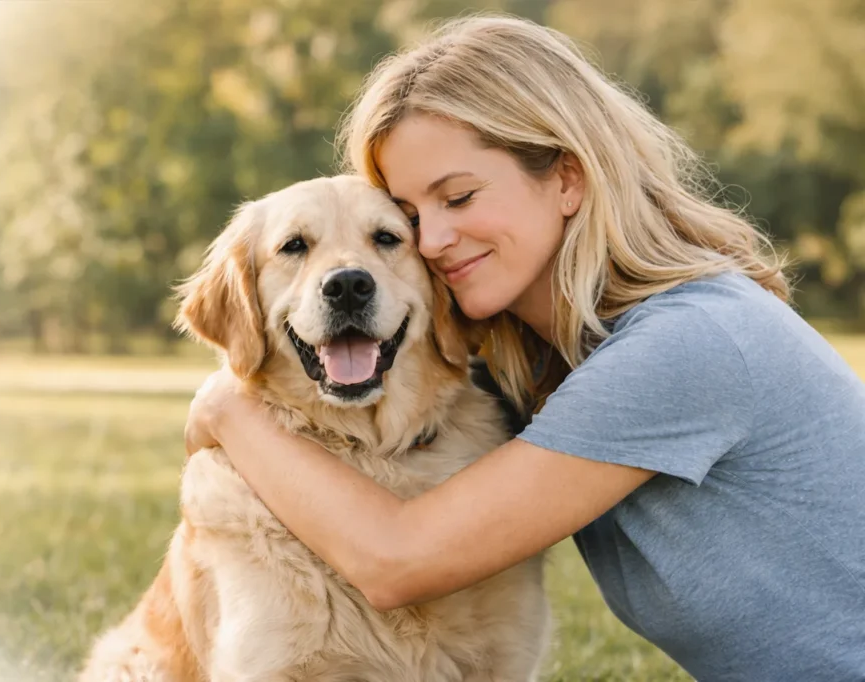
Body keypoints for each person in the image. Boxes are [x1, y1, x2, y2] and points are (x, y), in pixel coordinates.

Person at [183, 15, 865, 681]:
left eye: (460, 197)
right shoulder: (548, 361)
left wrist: (227, 412)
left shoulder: (686, 344)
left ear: (567, 178)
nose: (433, 241)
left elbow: (397, 560)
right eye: (412, 217)